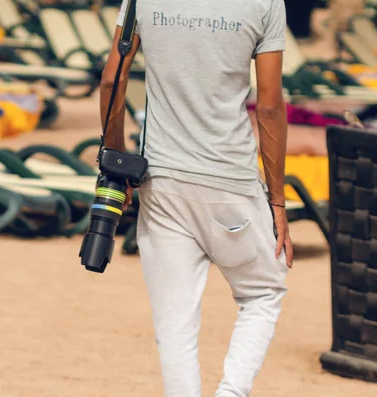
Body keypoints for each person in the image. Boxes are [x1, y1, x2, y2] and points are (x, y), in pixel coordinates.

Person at [100, 1, 293, 396]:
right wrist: (277, 201)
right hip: (231, 181)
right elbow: (270, 106)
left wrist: (116, 162)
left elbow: (112, 81)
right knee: (263, 291)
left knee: (174, 325)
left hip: (162, 180)